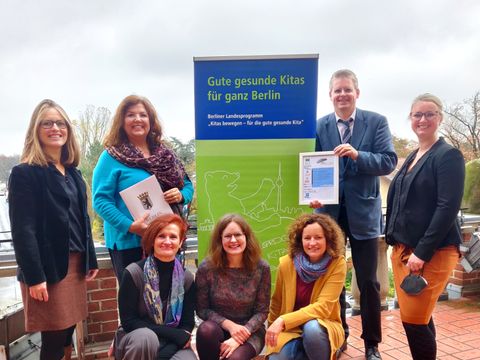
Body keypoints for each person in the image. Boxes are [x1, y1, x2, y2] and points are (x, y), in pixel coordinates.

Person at [310, 69, 397, 360]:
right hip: (330, 216)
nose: (342, 95)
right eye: (337, 91)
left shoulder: (376, 122)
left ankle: (372, 344)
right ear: (330, 95)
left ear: (357, 93)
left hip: (365, 215)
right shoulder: (319, 126)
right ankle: (340, 334)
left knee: (369, 282)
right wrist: (313, 197)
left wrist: (358, 155)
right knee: (331, 279)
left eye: (348, 90)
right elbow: (312, 167)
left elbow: (388, 161)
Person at [8, 99, 99, 360]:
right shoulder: (25, 173)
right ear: (36, 130)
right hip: (47, 269)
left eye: (60, 123)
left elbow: (82, 219)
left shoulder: (73, 173)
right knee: (53, 336)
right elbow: (23, 230)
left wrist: (90, 258)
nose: (55, 128)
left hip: (75, 264)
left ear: (68, 130)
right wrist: (35, 276)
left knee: (69, 327)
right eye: (47, 123)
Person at [385, 93, 465, 360]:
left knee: (414, 321)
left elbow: (447, 207)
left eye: (429, 114)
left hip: (430, 253)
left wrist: (422, 252)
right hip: (404, 253)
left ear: (440, 118)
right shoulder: (412, 156)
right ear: (411, 119)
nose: (422, 119)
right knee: (418, 317)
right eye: (417, 114)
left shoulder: (448, 155)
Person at [92, 95, 194, 280]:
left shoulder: (166, 154)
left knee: (168, 297)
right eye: (131, 115)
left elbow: (187, 185)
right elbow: (100, 201)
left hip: (166, 239)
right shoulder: (110, 157)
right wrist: (131, 226)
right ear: (122, 121)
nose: (138, 119)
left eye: (143, 115)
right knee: (135, 301)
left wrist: (181, 195)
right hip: (129, 243)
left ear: (151, 121)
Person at [115, 214, 196, 360]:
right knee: (147, 338)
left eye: (173, 237)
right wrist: (174, 334)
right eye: (161, 236)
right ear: (152, 240)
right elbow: (129, 321)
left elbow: (187, 324)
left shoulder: (187, 278)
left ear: (180, 242)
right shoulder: (133, 273)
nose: (167, 241)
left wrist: (166, 353)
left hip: (171, 342)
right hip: (137, 338)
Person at [266, 213, 347, 360]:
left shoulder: (337, 264)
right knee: (277, 358)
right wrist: (273, 331)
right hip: (292, 329)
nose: (312, 243)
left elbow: (323, 307)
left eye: (318, 237)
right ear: (300, 240)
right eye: (307, 238)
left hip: (323, 326)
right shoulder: (286, 264)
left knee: (312, 329)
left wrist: (283, 321)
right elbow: (276, 302)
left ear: (328, 239)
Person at [195, 214, 271, 360]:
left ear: (246, 237)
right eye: (228, 236)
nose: (233, 240)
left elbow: (262, 311)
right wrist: (230, 326)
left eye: (238, 235)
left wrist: (239, 337)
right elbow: (202, 309)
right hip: (218, 327)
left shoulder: (261, 268)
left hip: (250, 330)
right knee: (205, 330)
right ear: (220, 240)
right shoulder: (207, 267)